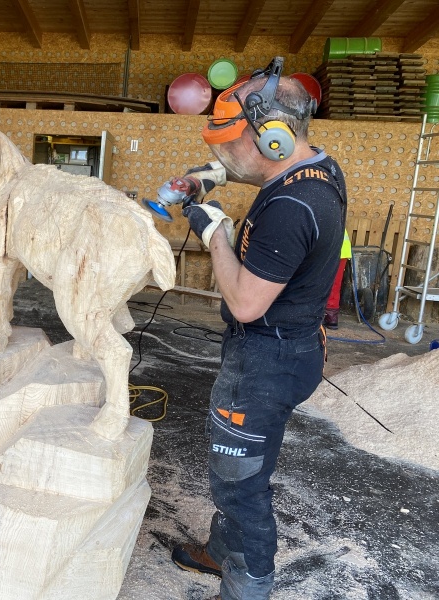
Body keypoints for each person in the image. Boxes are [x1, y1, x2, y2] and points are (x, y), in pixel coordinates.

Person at [167, 57, 347, 600]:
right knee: (241, 464)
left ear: (270, 138)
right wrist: (205, 176)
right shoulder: (312, 166)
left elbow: (245, 302)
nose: (222, 155)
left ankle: (249, 584)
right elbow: (243, 167)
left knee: (238, 480)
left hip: (266, 359)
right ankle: (223, 551)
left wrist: (214, 232)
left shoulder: (292, 205)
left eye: (230, 144)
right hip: (290, 346)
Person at [323, 229, 352, 329]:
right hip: (342, 250)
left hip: (328, 250)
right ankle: (331, 317)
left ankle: (323, 315)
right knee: (335, 284)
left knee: (317, 282)